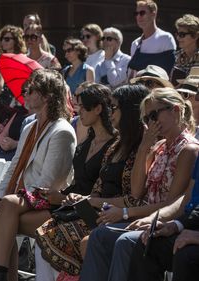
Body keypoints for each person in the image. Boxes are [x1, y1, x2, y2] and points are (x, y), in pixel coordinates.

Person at [80, 87, 199, 281]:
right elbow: (136, 192)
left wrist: (127, 213)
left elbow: (173, 203)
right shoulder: (159, 147)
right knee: (99, 236)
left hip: (163, 221)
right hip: (145, 216)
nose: (150, 123)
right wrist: (144, 148)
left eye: (153, 115)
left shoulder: (189, 149)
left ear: (175, 110)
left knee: (124, 241)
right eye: (146, 119)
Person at [34, 84, 147, 280]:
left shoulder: (140, 147)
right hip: (97, 211)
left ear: (129, 110)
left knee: (52, 235)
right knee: (46, 232)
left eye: (115, 107)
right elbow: (98, 188)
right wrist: (82, 199)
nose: (111, 111)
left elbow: (134, 198)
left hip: (119, 215)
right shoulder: (117, 146)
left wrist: (92, 201)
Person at [0, 69, 77, 281]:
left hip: (50, 201)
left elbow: (47, 182)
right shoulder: (30, 126)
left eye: (30, 90)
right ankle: (2, 275)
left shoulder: (62, 131)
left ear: (47, 96)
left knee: (2, 212)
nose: (25, 94)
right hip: (22, 198)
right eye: (24, 90)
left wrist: (10, 200)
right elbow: (14, 167)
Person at [128, 0, 176, 77]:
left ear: (153, 14)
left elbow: (170, 72)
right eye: (136, 13)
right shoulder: (135, 43)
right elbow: (132, 74)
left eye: (142, 13)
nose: (138, 16)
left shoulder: (166, 38)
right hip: (139, 87)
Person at [170, 14, 199, 85]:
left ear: (195, 36)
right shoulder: (176, 56)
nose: (178, 38)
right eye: (177, 34)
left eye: (182, 34)